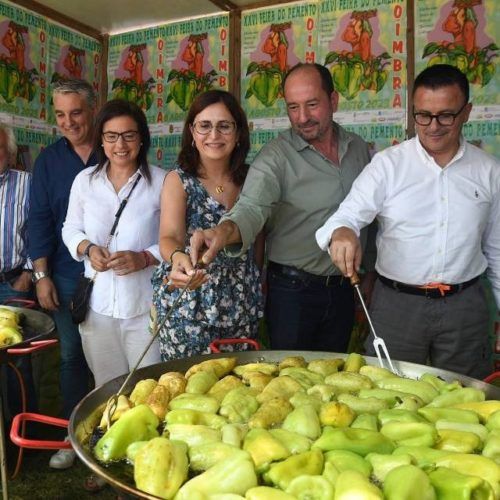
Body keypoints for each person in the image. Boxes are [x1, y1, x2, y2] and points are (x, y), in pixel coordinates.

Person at [316, 64, 500, 379]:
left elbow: (497, 251)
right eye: (423, 115)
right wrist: (343, 232)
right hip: (397, 306)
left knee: (467, 399)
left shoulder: (489, 171)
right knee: (388, 395)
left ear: (466, 112)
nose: (433, 126)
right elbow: (345, 216)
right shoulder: (388, 166)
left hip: (464, 307)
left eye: (446, 115)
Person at [189, 63, 373, 352]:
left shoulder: (359, 148)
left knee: (336, 379)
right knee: (291, 380)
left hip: (344, 289)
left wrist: (369, 278)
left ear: (333, 100)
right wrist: (222, 232)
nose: (302, 118)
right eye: (293, 107)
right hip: (293, 293)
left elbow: (370, 216)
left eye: (312, 105)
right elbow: (251, 208)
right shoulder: (275, 157)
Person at [152, 90, 263, 360]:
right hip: (191, 302)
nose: (214, 135)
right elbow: (168, 237)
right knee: (187, 390)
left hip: (242, 303)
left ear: (238, 134)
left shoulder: (253, 179)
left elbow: (260, 239)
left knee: (238, 391)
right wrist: (178, 257)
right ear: (192, 132)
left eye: (224, 126)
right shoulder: (179, 180)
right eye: (204, 126)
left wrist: (257, 282)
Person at [62, 99, 164, 383]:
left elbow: (176, 241)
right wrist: (88, 248)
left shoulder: (162, 182)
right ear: (102, 141)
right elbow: (70, 228)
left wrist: (144, 257)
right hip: (98, 308)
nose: (120, 144)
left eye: (129, 135)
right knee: (107, 390)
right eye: (111, 136)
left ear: (141, 139)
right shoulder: (85, 181)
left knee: (148, 387)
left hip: (145, 309)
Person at [27, 79, 96, 469]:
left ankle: (106, 431)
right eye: (60, 114)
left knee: (113, 359)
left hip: (115, 275)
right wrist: (41, 275)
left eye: (76, 112)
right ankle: (72, 436)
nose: (69, 122)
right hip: (67, 274)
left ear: (93, 109)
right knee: (71, 357)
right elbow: (38, 220)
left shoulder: (115, 146)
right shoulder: (48, 161)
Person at [0, 123, 37, 419]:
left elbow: (41, 230)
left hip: (14, 282)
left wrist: (28, 273)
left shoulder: (28, 183)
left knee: (17, 357)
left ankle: (23, 424)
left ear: (10, 154)